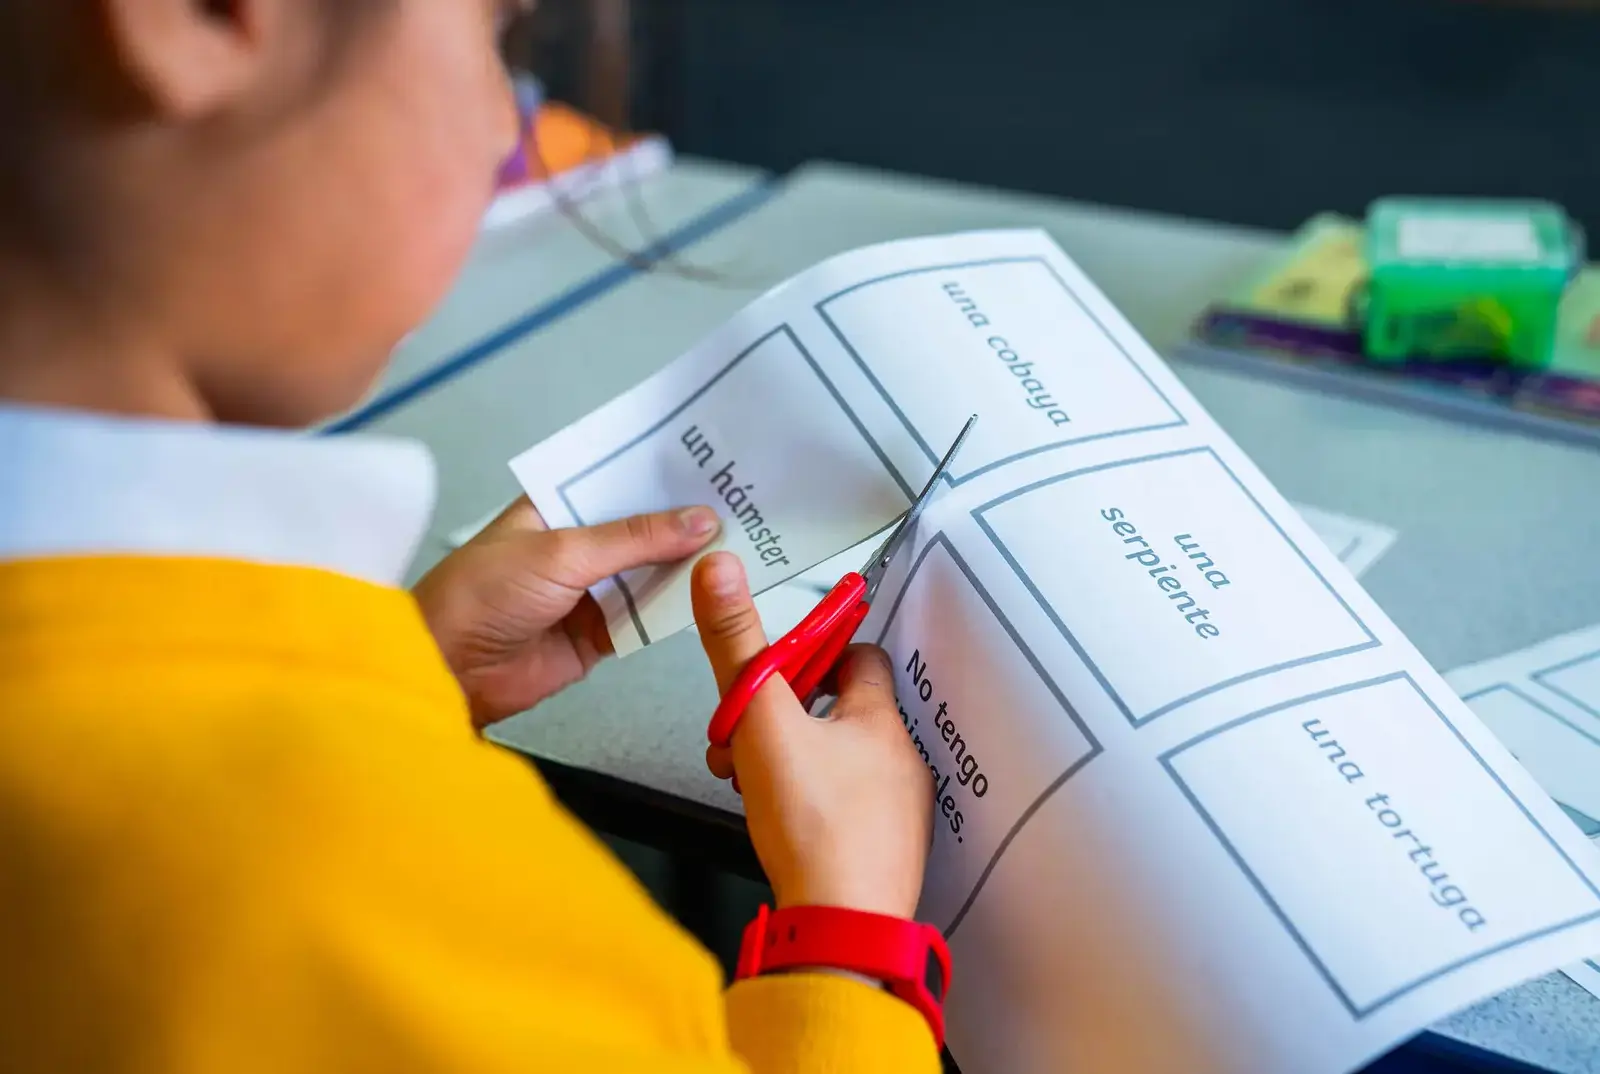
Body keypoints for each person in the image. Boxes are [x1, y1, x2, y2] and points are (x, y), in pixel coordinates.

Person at [0, 1, 944, 1071]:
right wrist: (847, 941)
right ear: (193, 18)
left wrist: (402, 677)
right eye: (496, 40)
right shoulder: (341, 878)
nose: (511, 128)